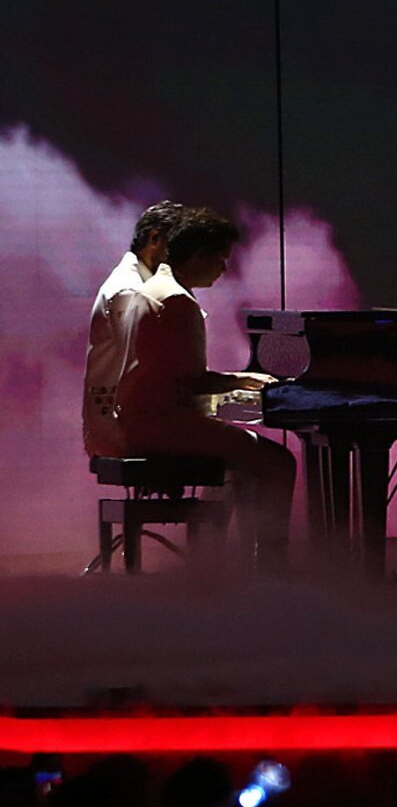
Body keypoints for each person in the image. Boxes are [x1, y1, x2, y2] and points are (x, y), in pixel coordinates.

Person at [111, 207, 294, 565]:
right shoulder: (177, 302)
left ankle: (215, 561)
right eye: (220, 259)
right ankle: (273, 565)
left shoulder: (149, 291)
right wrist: (244, 380)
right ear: (197, 255)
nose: (224, 269)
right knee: (279, 462)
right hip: (163, 425)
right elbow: (194, 382)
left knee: (232, 456)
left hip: (139, 420)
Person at [83, 200, 185, 457]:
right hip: (122, 430)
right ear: (154, 239)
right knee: (253, 454)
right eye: (183, 246)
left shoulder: (143, 284)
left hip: (131, 420)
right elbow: (142, 369)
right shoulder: (129, 290)